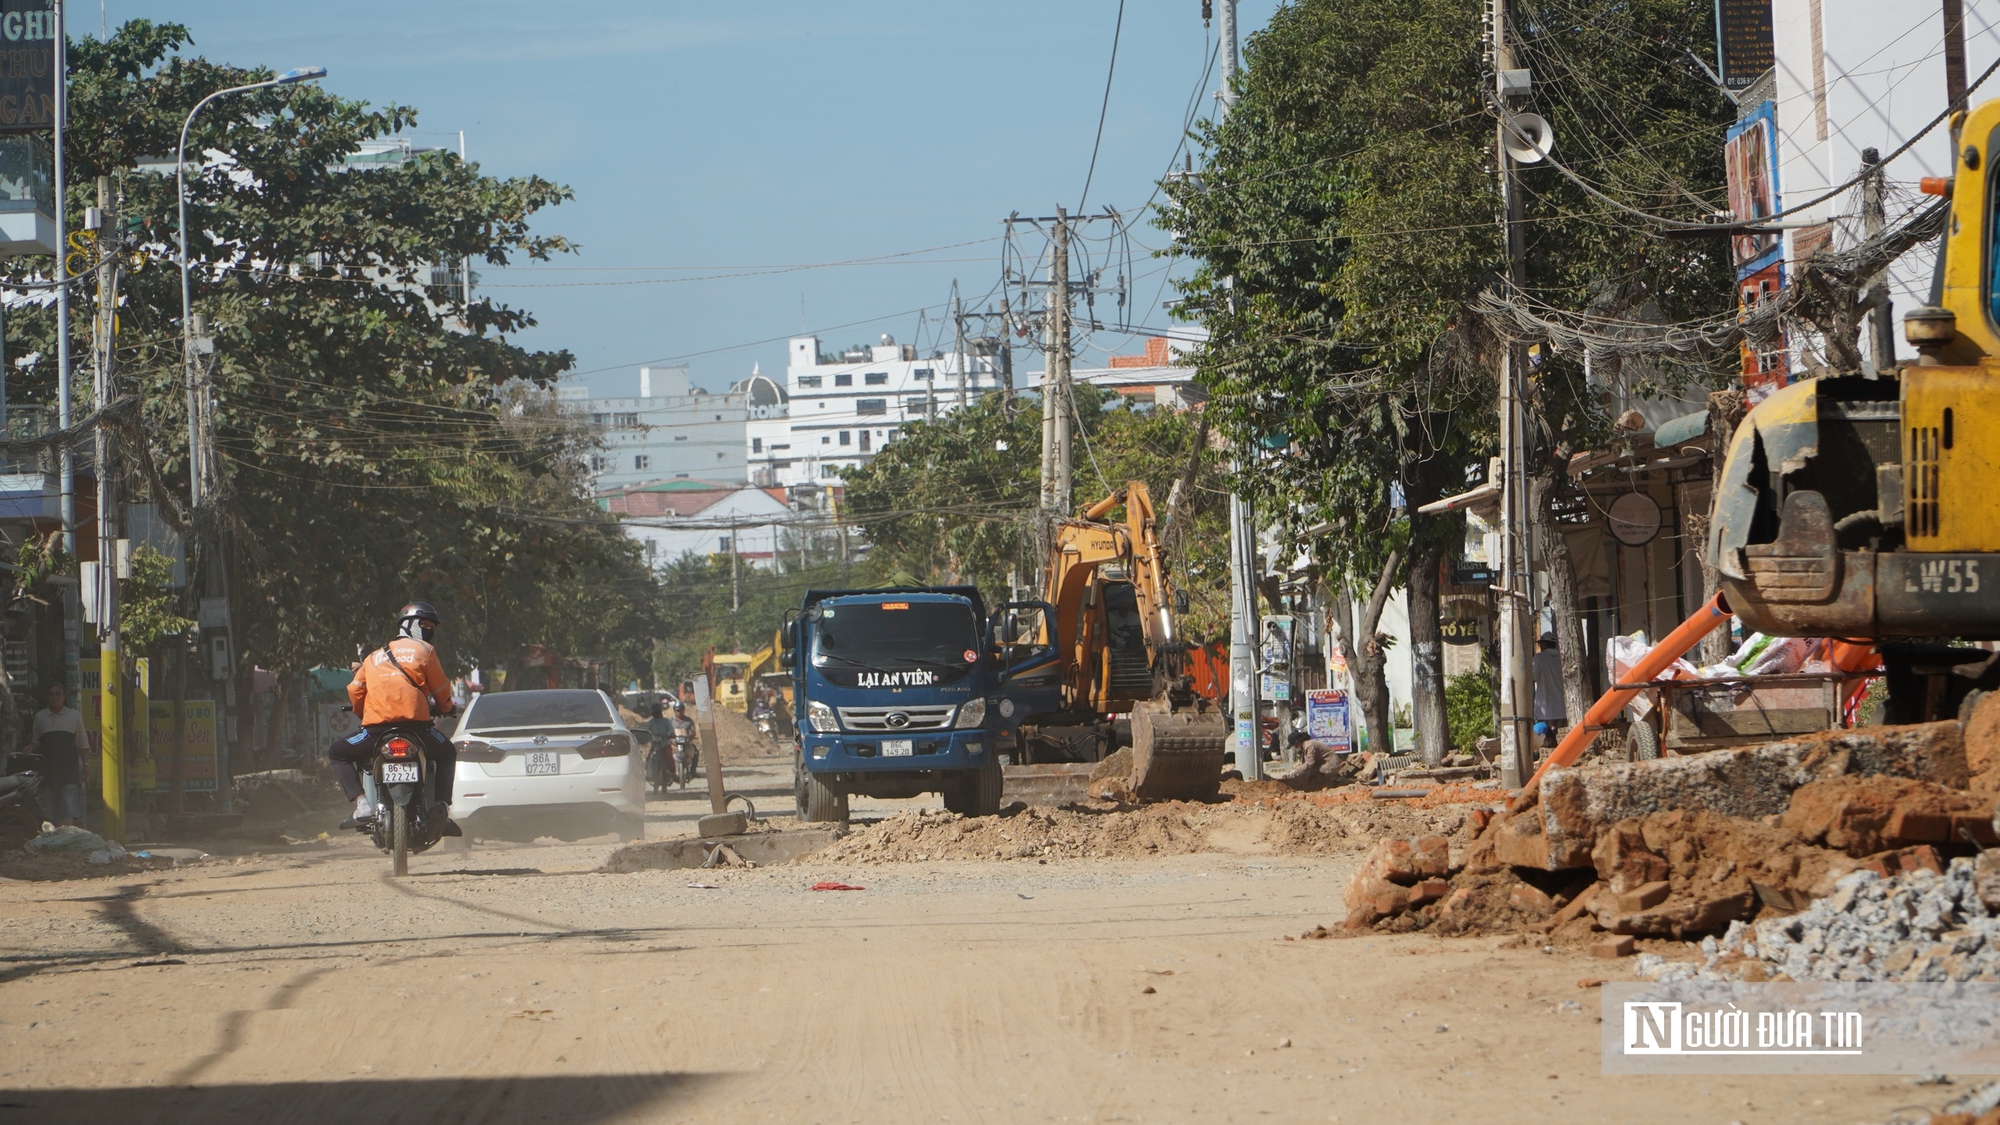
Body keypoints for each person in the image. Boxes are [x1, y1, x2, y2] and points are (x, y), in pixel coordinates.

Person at [329, 601, 461, 834]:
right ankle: (441, 805)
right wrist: (447, 708)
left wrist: (365, 713)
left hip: (376, 732)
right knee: (447, 752)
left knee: (338, 752)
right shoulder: (425, 652)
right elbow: (441, 689)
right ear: (408, 624)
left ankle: (362, 805)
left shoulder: (372, 658)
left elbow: (355, 691)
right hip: (418, 730)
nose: (429, 629)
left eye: (432, 625)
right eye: (425, 624)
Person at [28, 683, 87, 827]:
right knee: (48, 812)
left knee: (69, 810)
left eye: (58, 694)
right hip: (48, 771)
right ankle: (52, 844)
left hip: (69, 771)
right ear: (47, 697)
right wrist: (30, 747)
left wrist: (86, 764)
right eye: (51, 694)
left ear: (64, 697)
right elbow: (37, 740)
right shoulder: (40, 717)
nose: (54, 697)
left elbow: (82, 743)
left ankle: (69, 841)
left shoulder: (74, 716)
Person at [1279, 729, 1362, 791]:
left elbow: (1309, 764)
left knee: (1313, 773)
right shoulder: (1305, 747)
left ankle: (1336, 781)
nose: (1294, 748)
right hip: (1325, 764)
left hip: (1332, 764)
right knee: (1307, 773)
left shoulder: (1310, 746)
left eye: (1293, 745)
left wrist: (1295, 772)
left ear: (1297, 743)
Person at [1532, 632, 1566, 748]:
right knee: (1561, 741)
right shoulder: (1563, 657)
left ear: (1545, 644)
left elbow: (1533, 677)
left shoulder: (1539, 658)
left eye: (1541, 643)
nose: (1540, 646)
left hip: (1546, 710)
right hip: (1562, 708)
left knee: (1547, 742)